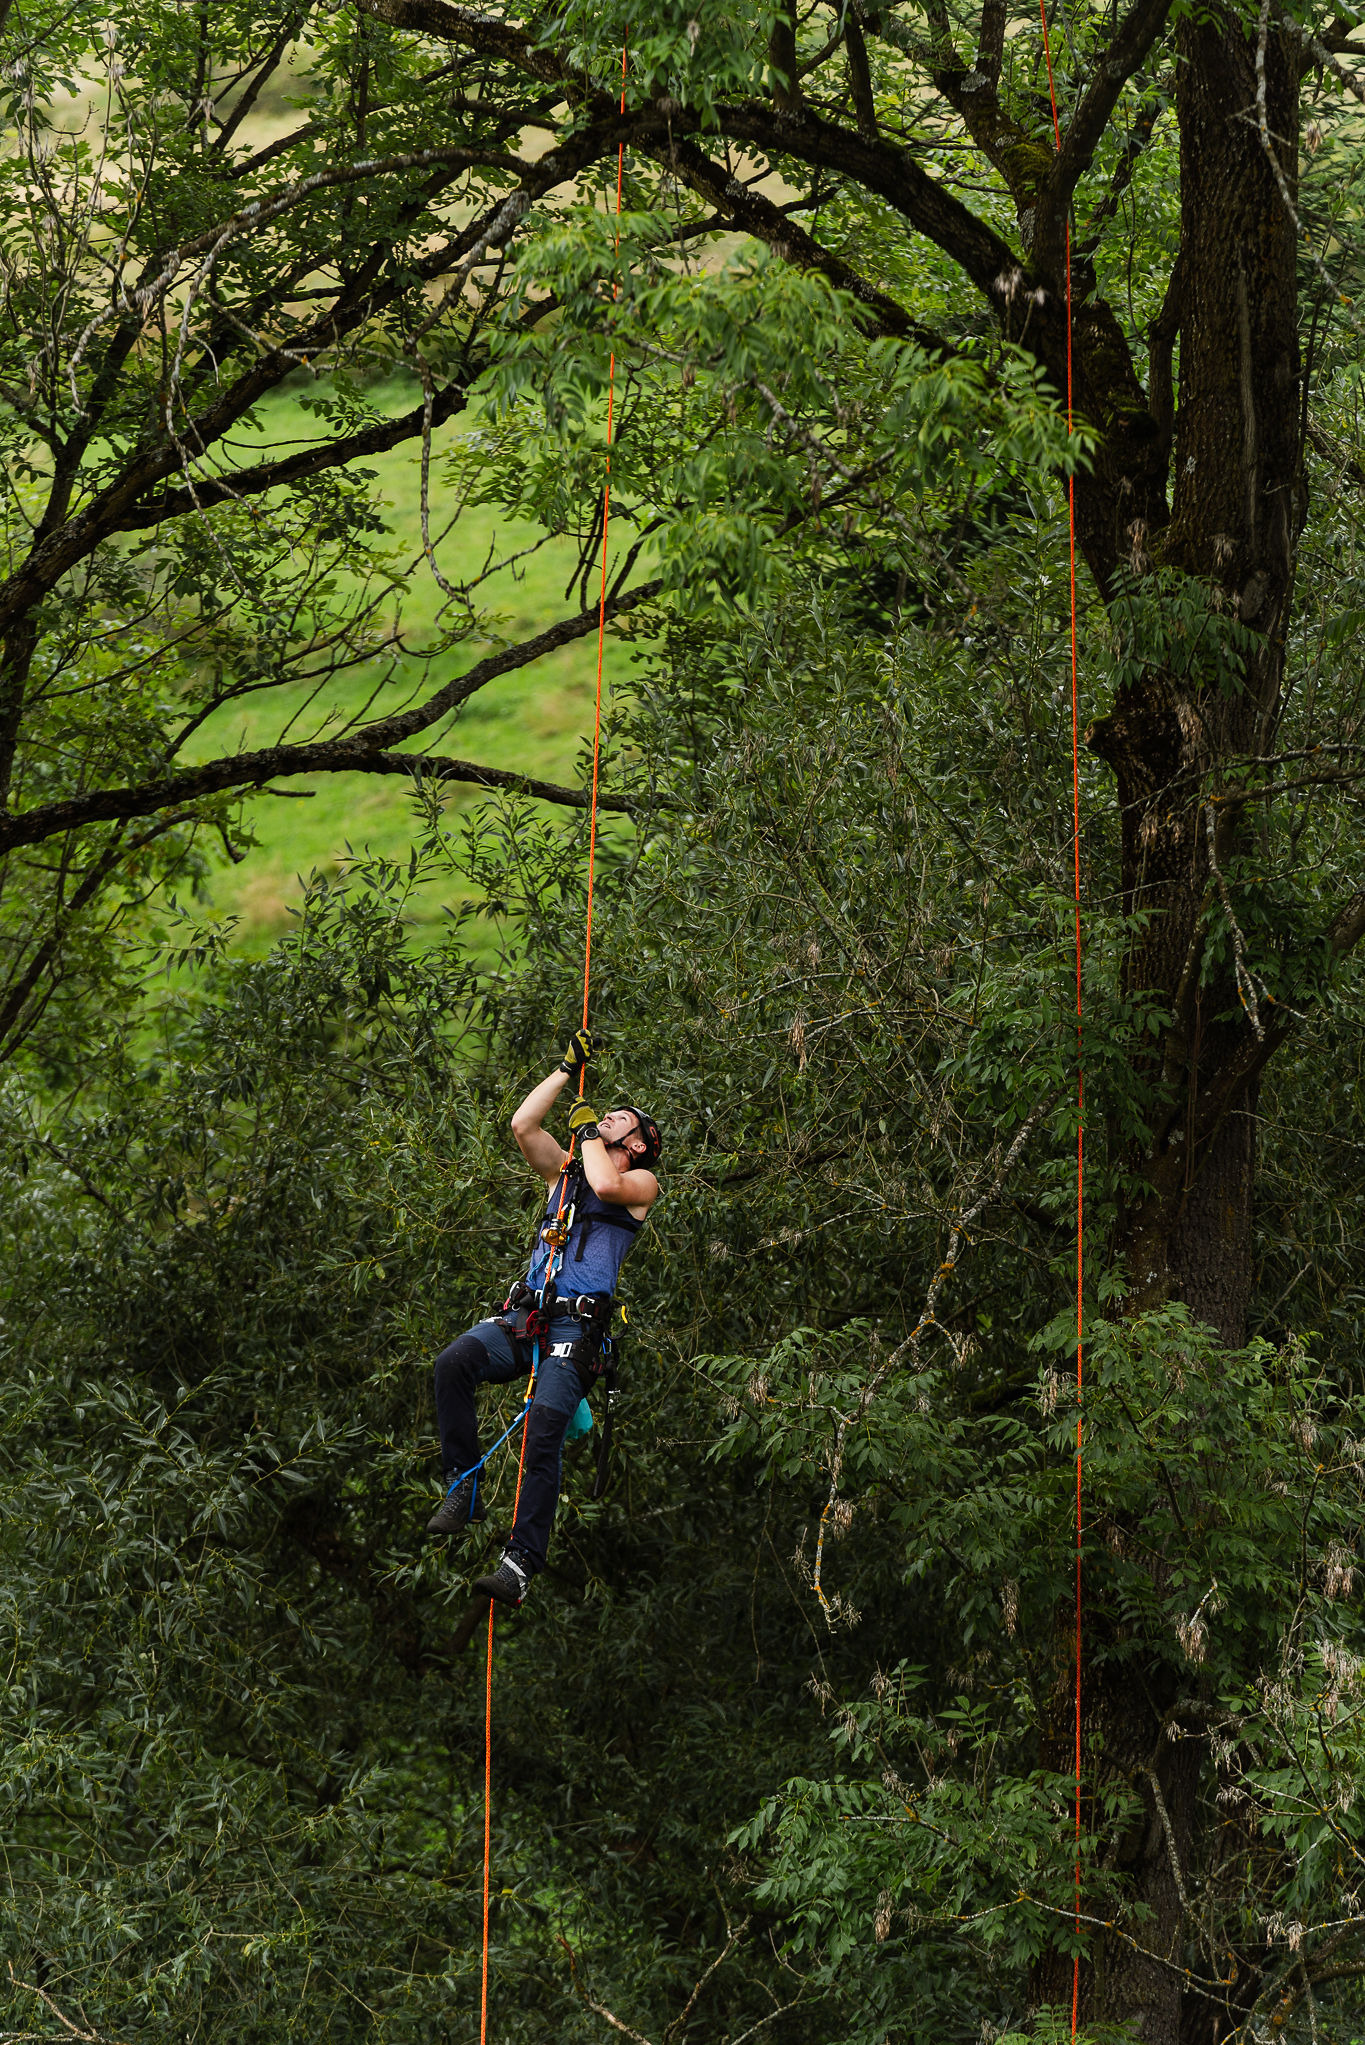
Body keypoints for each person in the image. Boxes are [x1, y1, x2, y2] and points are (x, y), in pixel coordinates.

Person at [425, 1026, 661, 1607]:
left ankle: (520, 1563)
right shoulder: (563, 1171)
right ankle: (464, 1489)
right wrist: (563, 1068)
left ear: (635, 1144)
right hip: (528, 1317)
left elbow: (604, 1182)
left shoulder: (639, 1182)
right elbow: (522, 1126)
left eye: (618, 1119)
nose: (606, 1117)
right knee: (452, 1364)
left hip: (575, 1331)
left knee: (543, 1432)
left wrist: (585, 1133)